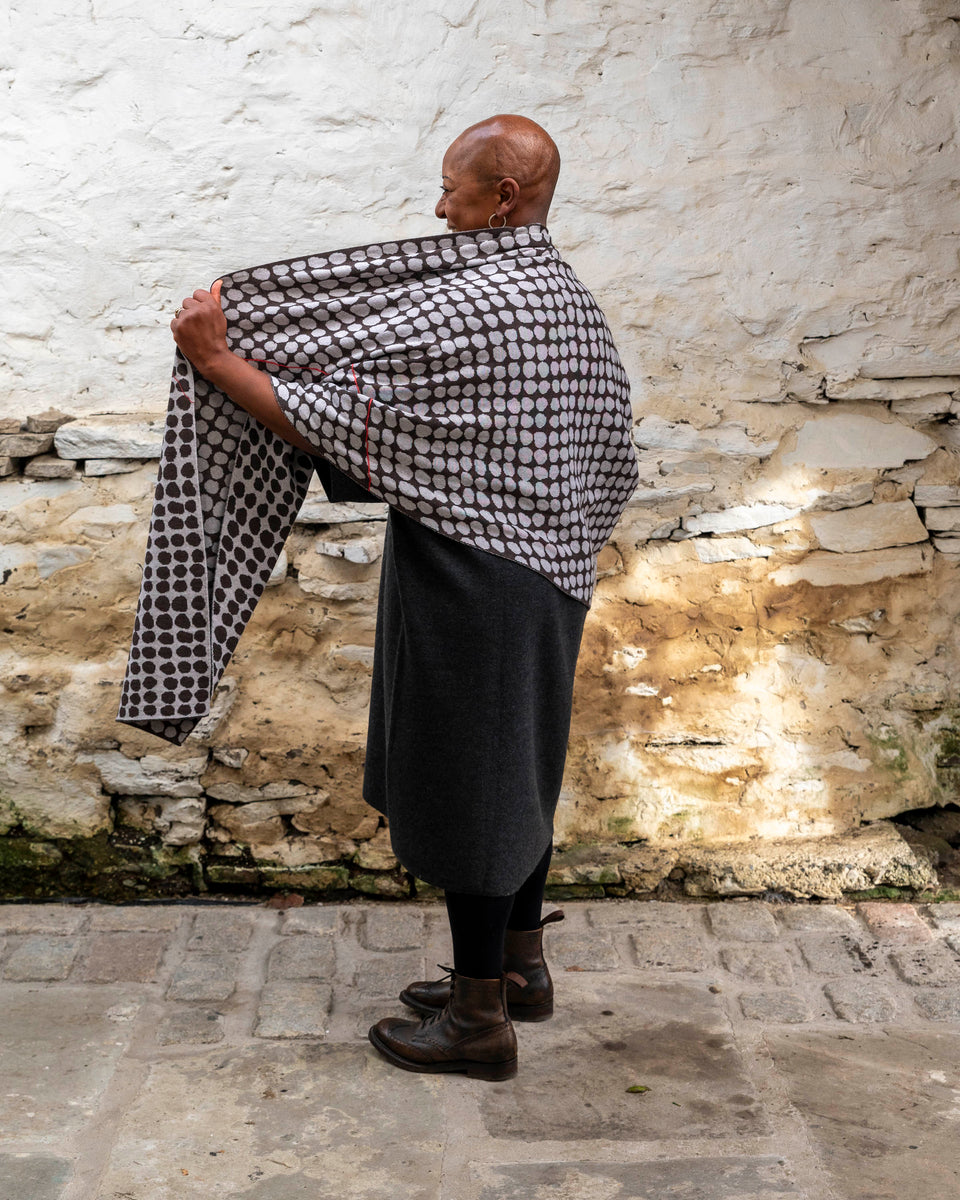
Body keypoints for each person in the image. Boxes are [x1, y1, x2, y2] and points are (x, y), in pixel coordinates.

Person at [169, 114, 636, 1082]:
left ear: (502, 198)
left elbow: (339, 409)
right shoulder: (565, 295)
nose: (437, 206)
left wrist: (221, 359)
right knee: (520, 770)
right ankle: (519, 968)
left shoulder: (474, 301)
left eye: (452, 188)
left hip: (480, 577)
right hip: (549, 571)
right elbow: (609, 444)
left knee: (474, 786)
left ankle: (477, 1024)